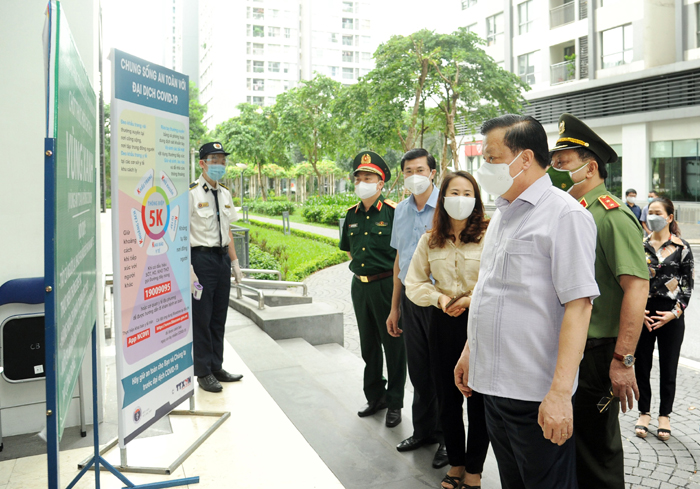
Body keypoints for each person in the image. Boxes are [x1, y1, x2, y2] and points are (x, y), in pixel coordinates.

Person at [454, 114, 599, 489]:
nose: (484, 167)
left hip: (535, 394)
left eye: (492, 157)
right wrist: (472, 350)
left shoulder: (564, 215)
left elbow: (579, 306)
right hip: (493, 387)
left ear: (525, 158)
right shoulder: (503, 214)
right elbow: (490, 291)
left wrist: (559, 394)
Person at [548, 113, 649, 489]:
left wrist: (624, 360)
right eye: (554, 162)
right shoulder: (571, 213)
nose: (554, 168)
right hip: (569, 348)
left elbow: (637, 288)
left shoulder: (609, 216)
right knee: (568, 445)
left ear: (589, 168)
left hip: (596, 352)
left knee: (596, 452)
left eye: (562, 163)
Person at [405, 171, 490, 489]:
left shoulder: (489, 234)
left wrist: (470, 299)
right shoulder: (431, 239)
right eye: (454, 192)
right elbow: (413, 281)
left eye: (468, 193)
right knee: (448, 397)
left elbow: (497, 278)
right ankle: (456, 463)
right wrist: (439, 299)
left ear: (476, 199)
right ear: (442, 198)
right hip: (442, 323)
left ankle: (474, 471)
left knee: (479, 399)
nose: (461, 198)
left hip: (479, 322)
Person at [386, 148, 447, 466]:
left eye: (420, 170)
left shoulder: (449, 207)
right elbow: (400, 261)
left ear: (433, 172)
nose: (414, 176)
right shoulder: (401, 211)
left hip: (440, 303)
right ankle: (423, 431)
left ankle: (447, 439)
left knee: (443, 374)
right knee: (420, 373)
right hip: (411, 301)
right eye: (408, 171)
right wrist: (394, 308)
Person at [339, 151, 406, 427]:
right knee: (368, 345)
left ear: (380, 184)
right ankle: (375, 396)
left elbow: (402, 254)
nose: (362, 182)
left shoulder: (393, 212)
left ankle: (394, 403)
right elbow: (348, 251)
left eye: (369, 178)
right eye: (359, 178)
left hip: (386, 285)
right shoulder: (351, 215)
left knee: (393, 345)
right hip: (360, 287)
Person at [634, 197, 693, 441]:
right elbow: (633, 283)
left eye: (658, 212)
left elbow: (687, 287)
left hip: (671, 314)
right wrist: (638, 313)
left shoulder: (682, 248)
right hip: (644, 313)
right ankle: (644, 413)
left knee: (669, 367)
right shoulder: (640, 245)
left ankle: (664, 416)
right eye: (650, 212)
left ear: (669, 217)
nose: (652, 216)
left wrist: (674, 313)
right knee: (642, 366)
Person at [189, 142, 244, 393]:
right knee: (202, 317)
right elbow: (180, 233)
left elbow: (228, 231)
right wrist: (188, 268)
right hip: (200, 261)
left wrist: (234, 263)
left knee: (218, 317)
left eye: (222, 160)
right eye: (214, 159)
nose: (219, 164)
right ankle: (202, 371)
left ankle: (216, 366)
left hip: (221, 260)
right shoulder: (190, 194)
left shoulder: (225, 193)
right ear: (202, 163)